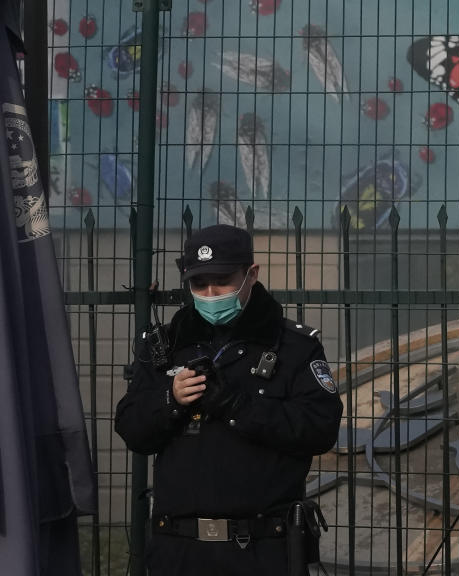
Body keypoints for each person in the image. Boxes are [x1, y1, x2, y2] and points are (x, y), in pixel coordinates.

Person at [115, 224, 343, 576]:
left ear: (251, 274)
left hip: (260, 548)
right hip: (177, 550)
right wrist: (171, 399)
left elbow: (320, 427)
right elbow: (131, 427)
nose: (209, 293)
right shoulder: (165, 345)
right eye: (198, 284)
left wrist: (238, 407)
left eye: (221, 281)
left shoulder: (293, 346)